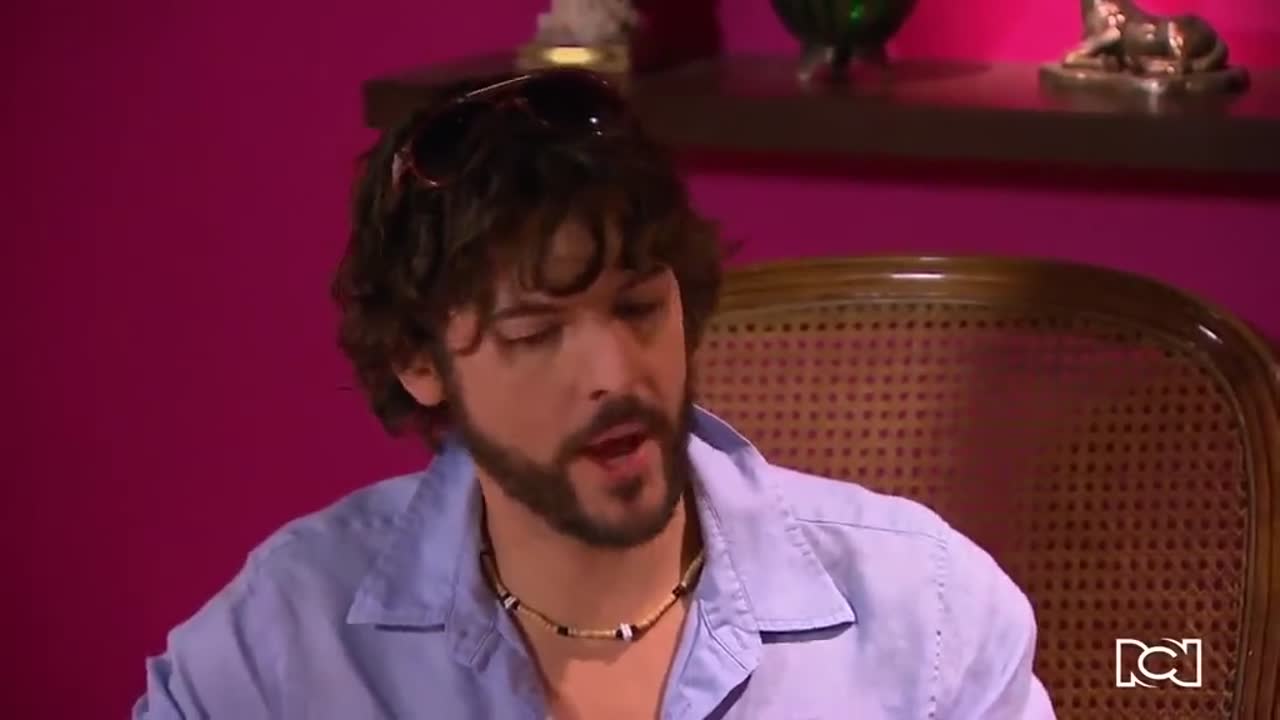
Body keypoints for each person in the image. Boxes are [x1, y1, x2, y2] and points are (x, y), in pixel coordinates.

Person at [134, 69, 1056, 719]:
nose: (615, 375)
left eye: (638, 307)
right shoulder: (287, 646)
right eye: (536, 334)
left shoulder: (928, 618)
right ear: (420, 359)